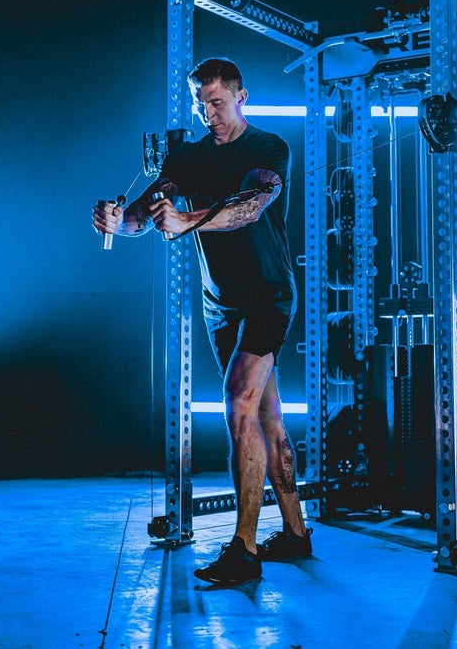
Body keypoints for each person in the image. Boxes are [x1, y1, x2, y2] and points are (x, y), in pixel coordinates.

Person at [92, 57, 312, 586]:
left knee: (238, 405)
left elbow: (251, 205)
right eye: (200, 103)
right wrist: (118, 223)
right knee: (267, 415)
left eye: (216, 101)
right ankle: (296, 533)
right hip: (220, 303)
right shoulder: (187, 158)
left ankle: (244, 551)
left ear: (241, 97)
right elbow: (146, 215)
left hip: (268, 296)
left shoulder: (268, 147)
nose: (207, 112)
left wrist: (188, 219)